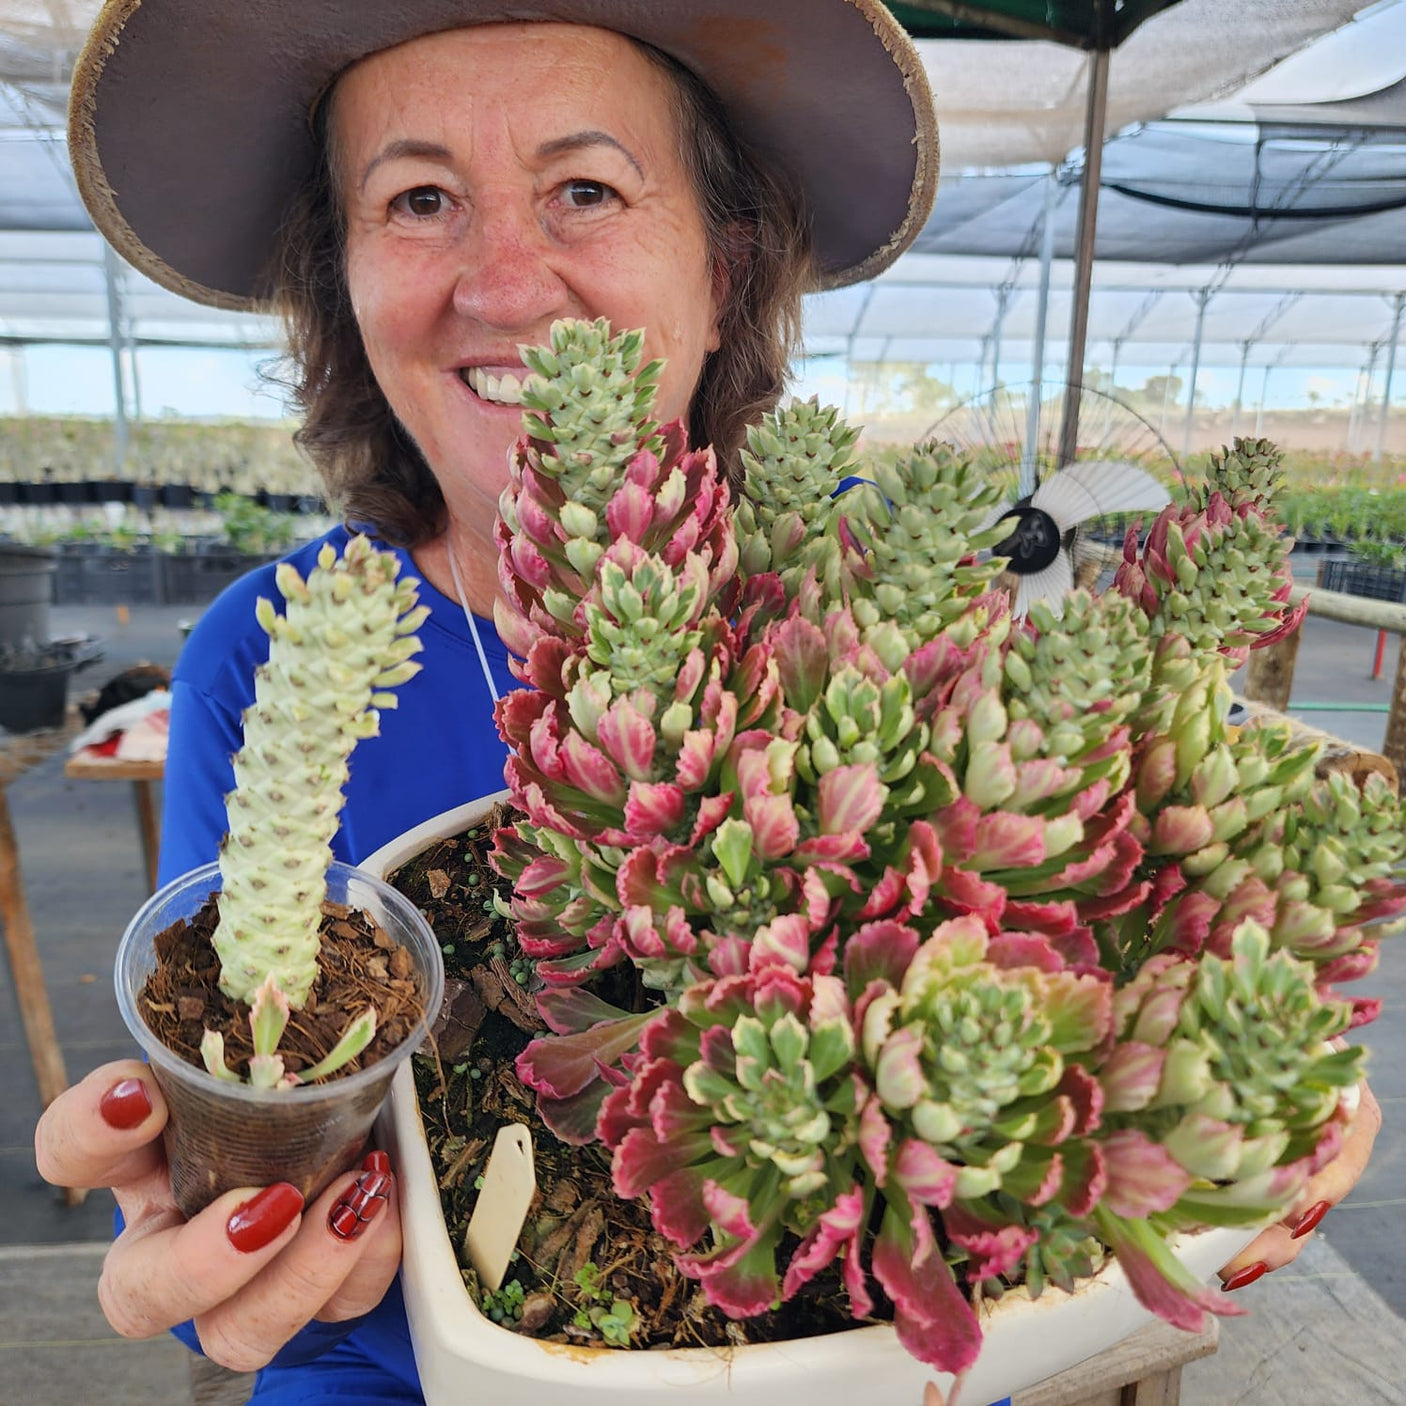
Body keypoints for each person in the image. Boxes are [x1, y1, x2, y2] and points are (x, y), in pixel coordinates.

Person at [34, 2, 1380, 1404]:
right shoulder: (267, 651)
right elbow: (235, 1184)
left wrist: (1236, 1088)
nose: (504, 281)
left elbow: (1122, 896)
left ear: (723, 266)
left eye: (585, 189)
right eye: (418, 197)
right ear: (343, 273)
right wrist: (231, 1233)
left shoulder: (883, 603)